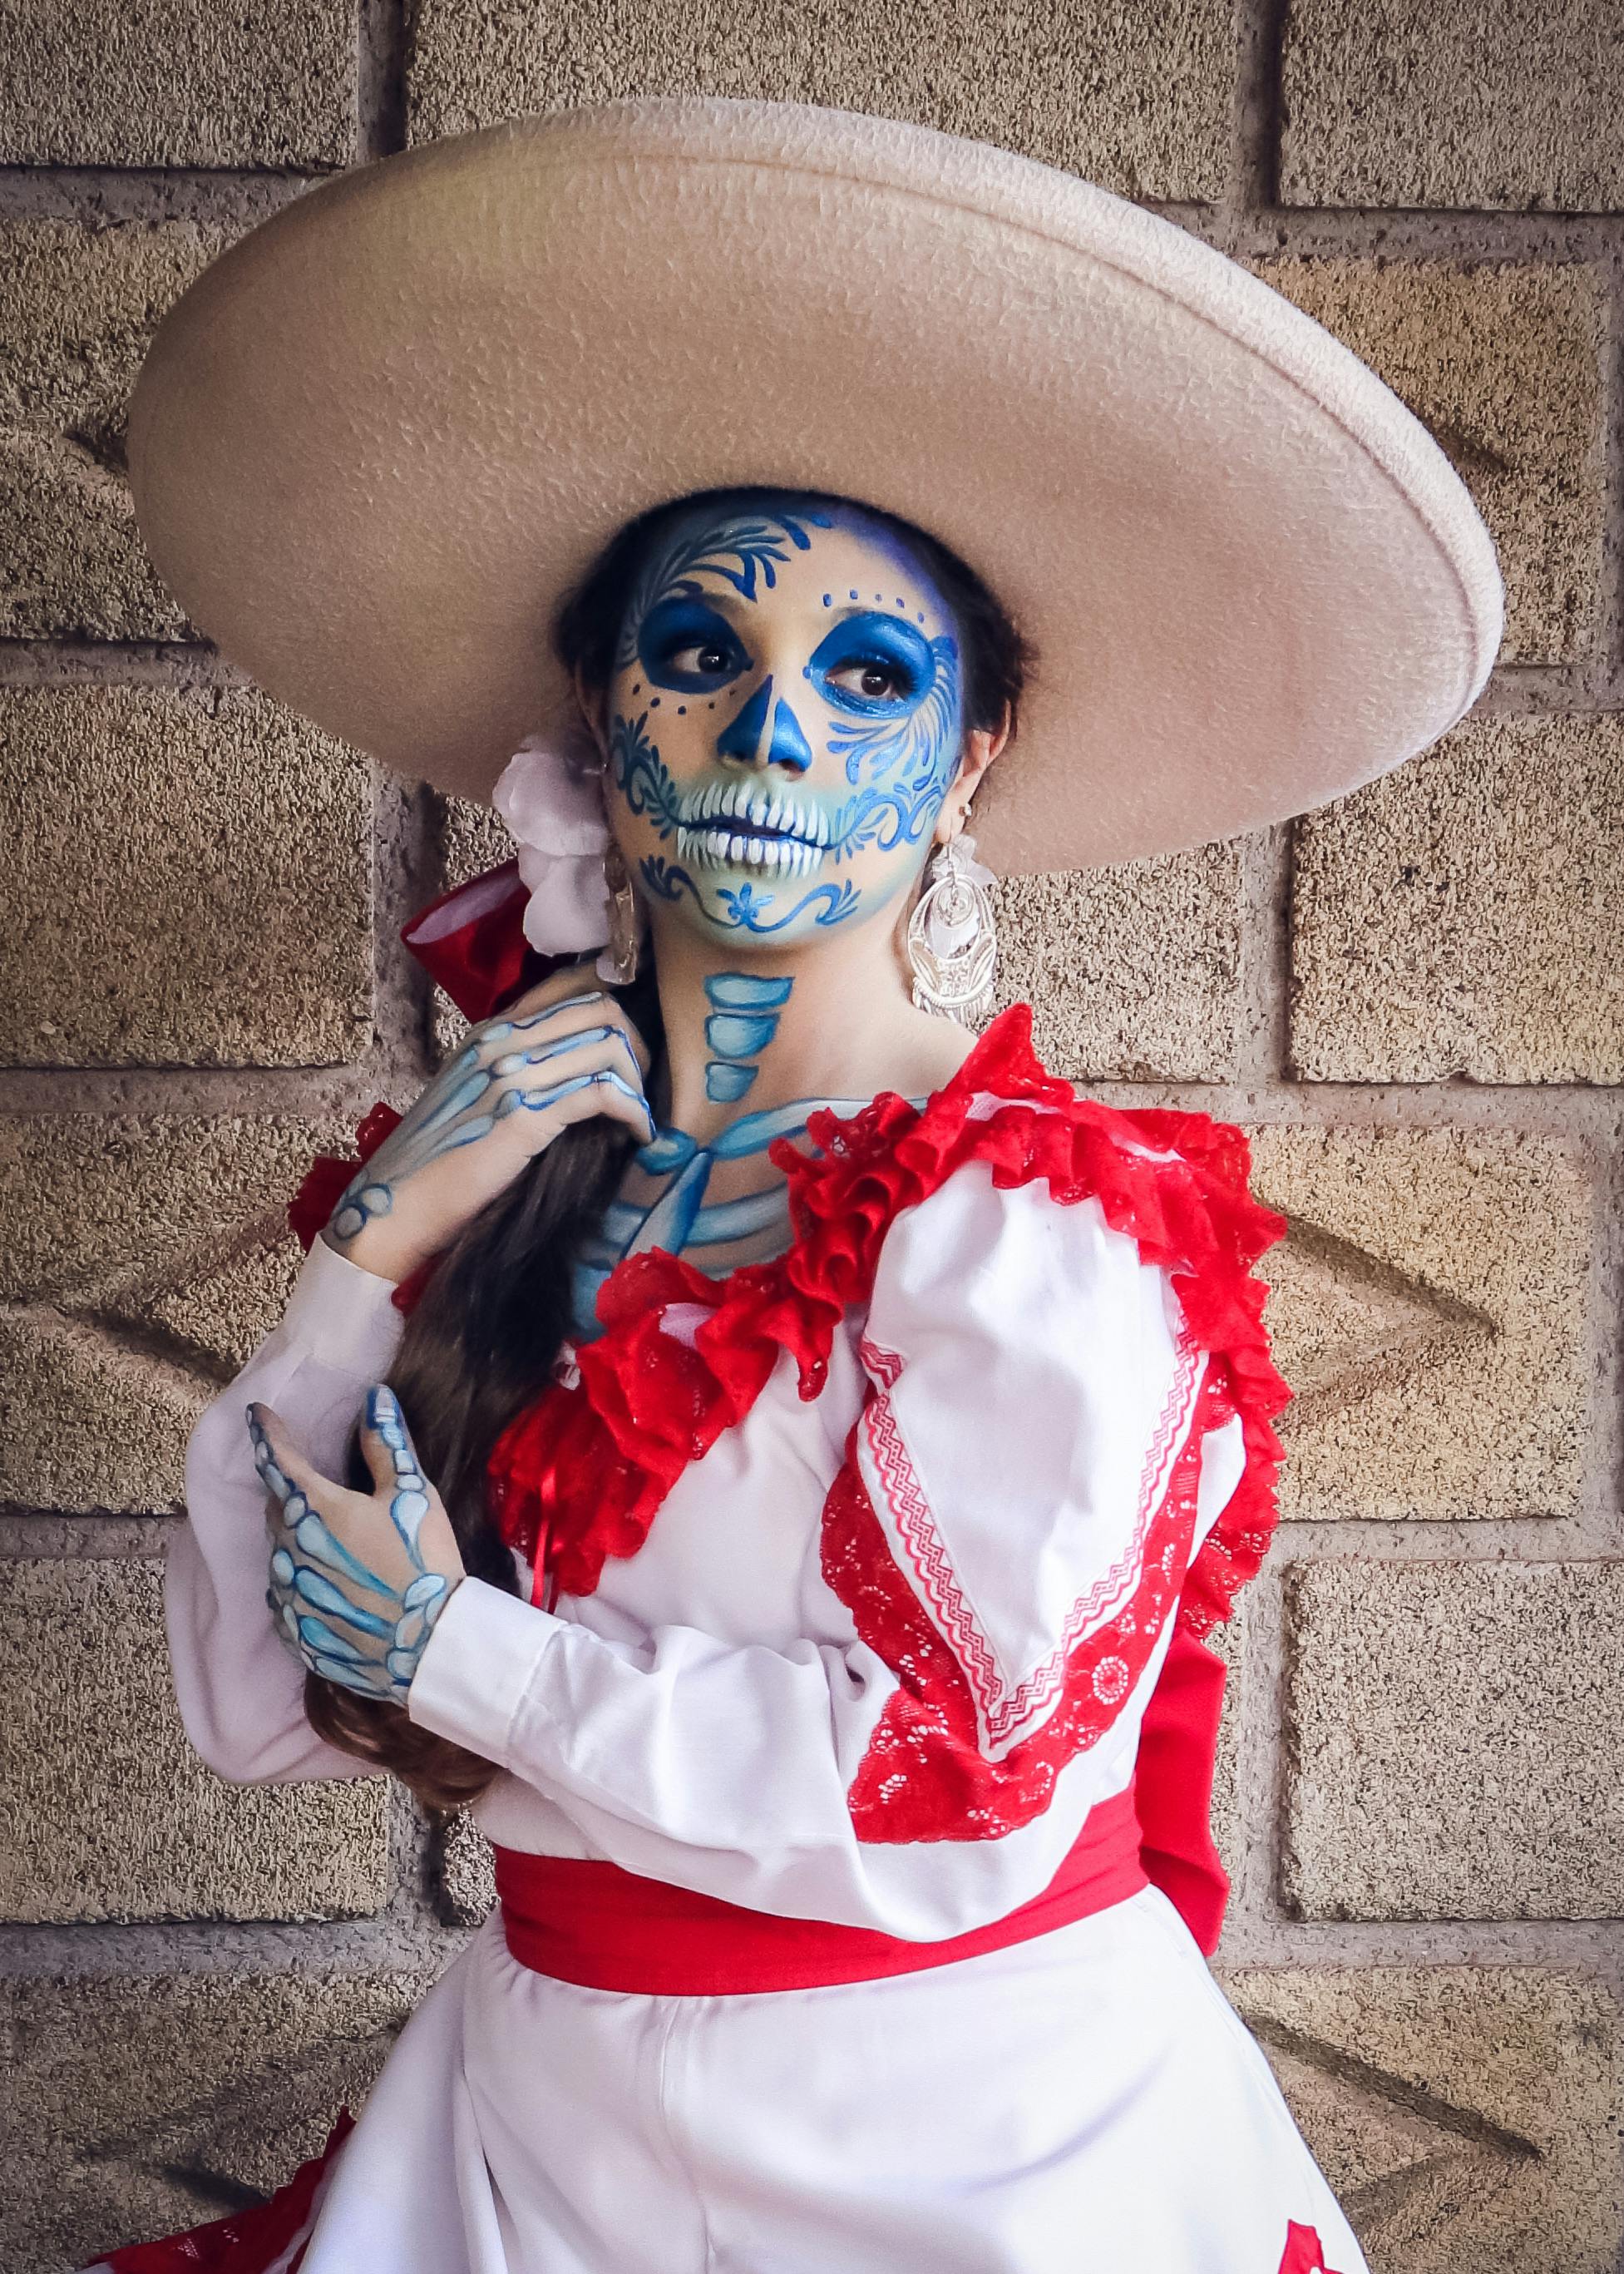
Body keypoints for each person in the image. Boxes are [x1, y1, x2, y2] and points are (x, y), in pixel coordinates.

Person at [93, 96, 1503, 2274]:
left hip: (964, 2149)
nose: (774, 739)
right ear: (603, 715)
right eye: (701, 658)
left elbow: (941, 1805)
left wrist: (453, 1647)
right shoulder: (500, 1180)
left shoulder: (1038, 1222)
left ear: (964, 762)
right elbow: (252, 1710)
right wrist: (376, 1249)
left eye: (865, 682)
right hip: (531, 2131)